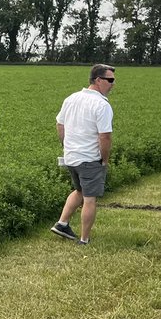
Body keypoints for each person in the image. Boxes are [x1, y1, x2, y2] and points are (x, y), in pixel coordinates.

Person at [50, 64, 116, 246]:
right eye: (110, 80)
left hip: (72, 156)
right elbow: (105, 136)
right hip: (89, 158)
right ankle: (84, 239)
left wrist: (66, 145)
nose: (113, 84)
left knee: (80, 190)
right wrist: (105, 159)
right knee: (90, 198)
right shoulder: (102, 105)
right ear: (98, 80)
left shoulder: (71, 98)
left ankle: (62, 224)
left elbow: (59, 124)